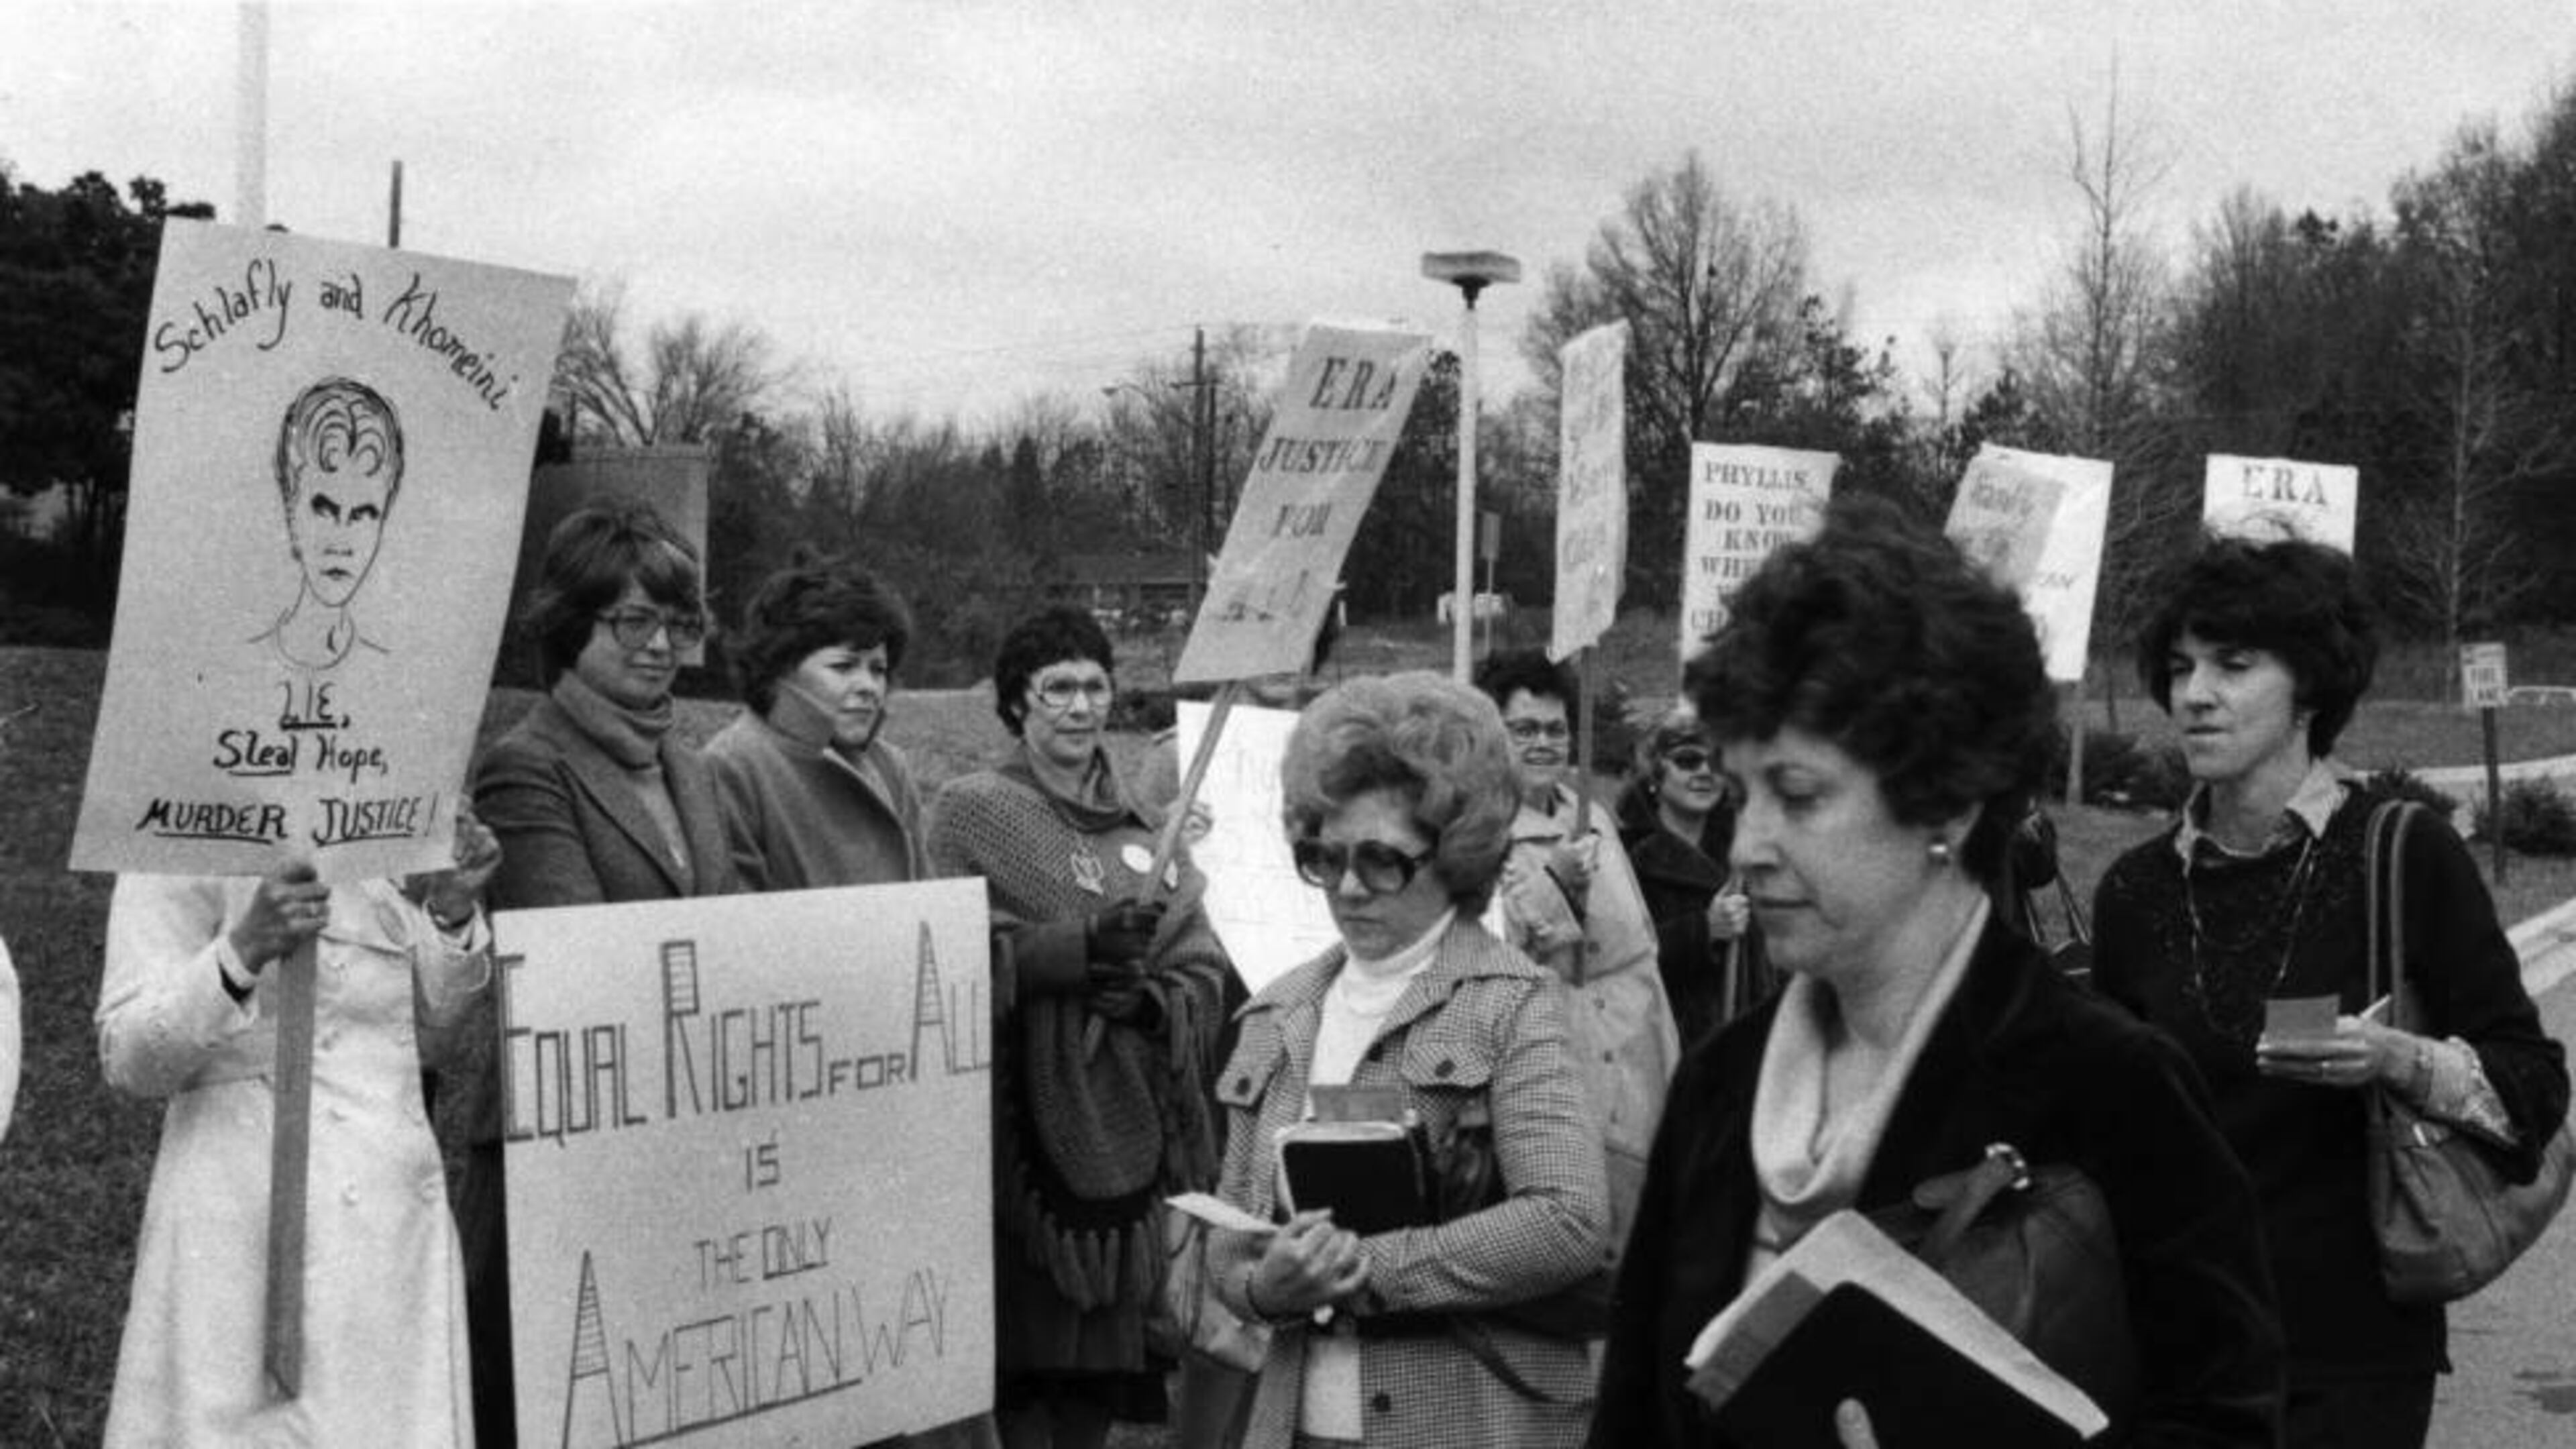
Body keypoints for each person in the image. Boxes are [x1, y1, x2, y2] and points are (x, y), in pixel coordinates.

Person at [1593, 497, 2284, 1448]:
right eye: (1743, 791)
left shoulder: (2109, 1087)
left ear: (1946, 804)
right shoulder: (1719, 1084)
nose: (1746, 845)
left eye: (1796, 794)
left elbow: (2228, 1425)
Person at [2092, 533, 2569, 1449]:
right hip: (2175, 1354)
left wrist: (2396, 1060)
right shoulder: (2134, 891)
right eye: (2182, 666)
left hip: (2351, 1360)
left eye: (2234, 665)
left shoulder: (2403, 853)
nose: (2195, 694)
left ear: (2308, 685)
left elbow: (2535, 1088)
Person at [1205, 671, 1610, 1448]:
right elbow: (1231, 1235)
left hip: (1472, 1421)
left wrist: (1363, 1270)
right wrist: (1263, 1286)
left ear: (1454, 855)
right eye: (1324, 859)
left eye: (1382, 861)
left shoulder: (1516, 1001)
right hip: (1297, 1426)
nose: (1349, 889)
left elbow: (1568, 1220)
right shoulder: (1276, 1012)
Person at [458, 500, 741, 1447]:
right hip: (560, 1152)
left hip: (677, 1139)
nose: (662, 645)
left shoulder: (690, 764)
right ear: (571, 625)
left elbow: (736, 927)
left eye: (679, 622)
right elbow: (573, 957)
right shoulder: (526, 766)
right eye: (635, 621)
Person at [924, 606, 1237, 1449]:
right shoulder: (971, 810)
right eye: (1056, 686)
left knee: (1097, 1394)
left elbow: (1202, 966)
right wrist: (1073, 953)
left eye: (1094, 685)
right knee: (1028, 1394)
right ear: (1017, 702)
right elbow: (942, 953)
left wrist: (1144, 1001)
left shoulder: (1147, 828)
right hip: (1018, 1148)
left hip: (1135, 1143)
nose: (1078, 704)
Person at [97, 810, 502, 1446]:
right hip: (249, 1229)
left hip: (391, 1231)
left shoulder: (388, 803)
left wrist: (450, 910)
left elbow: (426, 1039)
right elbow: (129, 1058)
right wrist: (242, 951)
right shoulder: (186, 816)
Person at [1471, 648, 1678, 1252]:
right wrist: (1555, 882)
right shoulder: (1478, 833)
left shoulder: (1597, 818)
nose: (1544, 744)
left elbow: (1638, 946)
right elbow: (1497, 953)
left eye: (1556, 730)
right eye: (1525, 730)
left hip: (1641, 1069)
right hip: (1565, 1075)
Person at [706, 553, 929, 892]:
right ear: (781, 669)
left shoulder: (889, 766)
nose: (869, 687)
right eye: (843, 666)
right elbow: (738, 924)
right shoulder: (733, 765)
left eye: (878, 669)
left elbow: (929, 905)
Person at [1613, 704, 1771, 1049]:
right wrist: (1704, 930)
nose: (1704, 772)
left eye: (1715, 762)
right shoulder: (1624, 858)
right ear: (1656, 774)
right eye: (1687, 761)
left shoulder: (1748, 852)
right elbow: (1618, 959)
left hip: (1747, 1041)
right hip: (1664, 1046)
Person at [254, 376, 405, 674]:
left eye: (364, 514)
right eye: (325, 510)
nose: (341, 542)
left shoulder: (391, 673)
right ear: (290, 512)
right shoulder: (235, 662)